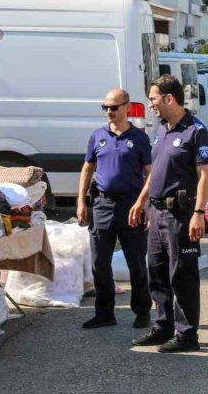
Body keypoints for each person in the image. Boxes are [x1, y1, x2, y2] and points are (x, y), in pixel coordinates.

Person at [130, 75, 208, 353]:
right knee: (158, 274)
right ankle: (162, 326)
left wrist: (199, 212)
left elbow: (205, 175)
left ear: (169, 98)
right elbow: (156, 172)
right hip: (157, 212)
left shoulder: (195, 130)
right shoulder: (161, 128)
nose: (150, 104)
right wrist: (141, 201)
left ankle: (188, 335)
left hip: (181, 214)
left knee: (183, 276)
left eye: (153, 98)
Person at [77, 89, 153, 329]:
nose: (109, 112)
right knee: (99, 262)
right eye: (106, 108)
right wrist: (81, 201)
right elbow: (87, 168)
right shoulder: (97, 136)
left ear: (127, 107)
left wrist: (144, 203)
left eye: (114, 107)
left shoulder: (139, 138)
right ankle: (104, 313)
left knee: (136, 262)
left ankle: (142, 312)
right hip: (102, 204)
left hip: (131, 205)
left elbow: (151, 173)